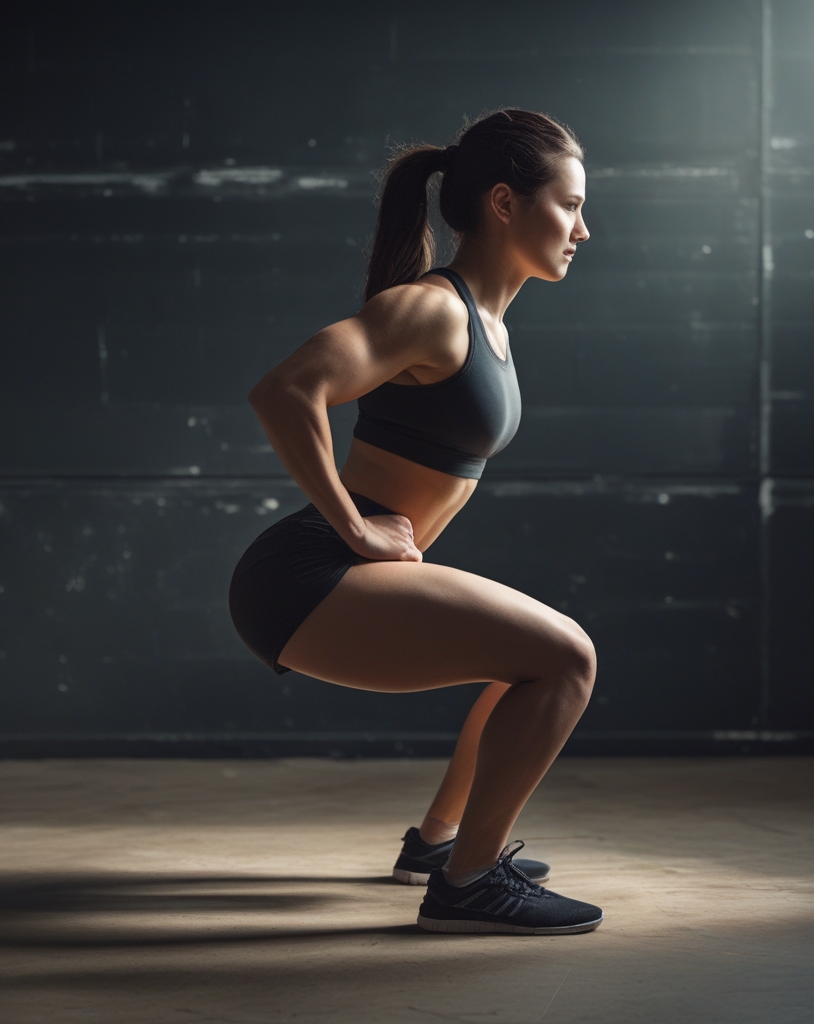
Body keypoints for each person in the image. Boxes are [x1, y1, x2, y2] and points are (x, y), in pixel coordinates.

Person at [230, 109, 601, 935]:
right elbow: (285, 391)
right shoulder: (433, 309)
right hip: (307, 576)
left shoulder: (489, 326)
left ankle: (439, 846)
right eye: (570, 205)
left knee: (524, 664)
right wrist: (357, 532)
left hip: (333, 572)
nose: (584, 228)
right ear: (505, 203)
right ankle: (470, 886)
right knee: (568, 657)